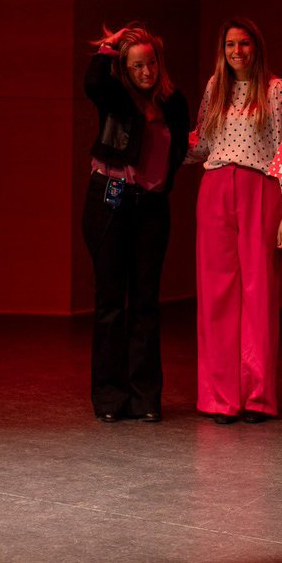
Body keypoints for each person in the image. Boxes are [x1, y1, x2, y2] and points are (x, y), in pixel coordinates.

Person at [186, 16, 282, 424]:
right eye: (230, 45)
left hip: (259, 190)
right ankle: (220, 397)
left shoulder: (277, 89)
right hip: (216, 188)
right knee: (216, 294)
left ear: (256, 47)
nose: (237, 52)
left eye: (244, 43)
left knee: (258, 292)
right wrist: (160, 145)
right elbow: (202, 142)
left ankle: (257, 396)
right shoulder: (215, 87)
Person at [82, 21, 190, 423]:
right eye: (137, 66)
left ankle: (146, 398)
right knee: (111, 303)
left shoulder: (173, 101)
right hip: (110, 201)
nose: (146, 72)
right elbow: (93, 82)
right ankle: (110, 398)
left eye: (151, 64)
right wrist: (108, 46)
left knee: (145, 303)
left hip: (152, 206)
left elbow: (179, 148)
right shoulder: (114, 95)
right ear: (124, 68)